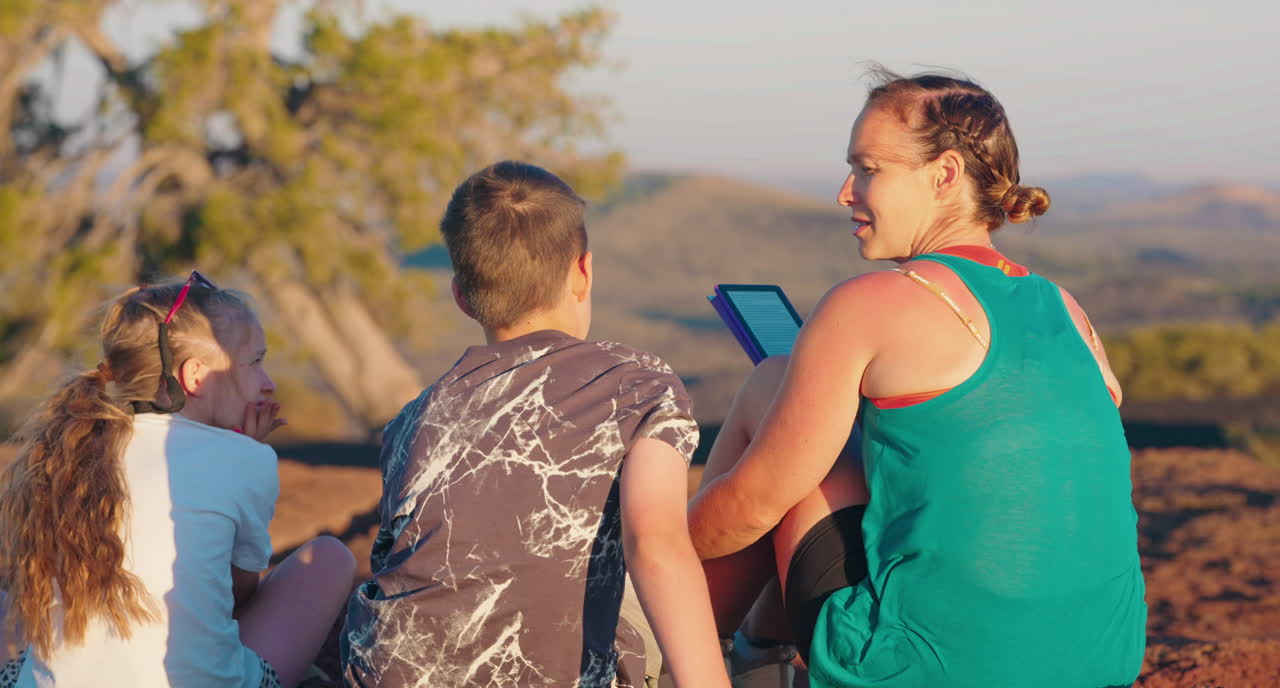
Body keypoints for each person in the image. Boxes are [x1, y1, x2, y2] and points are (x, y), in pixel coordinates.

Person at [689, 70, 1147, 688]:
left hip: (929, 670)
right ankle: (755, 657)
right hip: (1099, 664)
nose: (846, 191)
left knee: (774, 384)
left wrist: (654, 550)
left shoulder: (871, 302)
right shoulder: (1068, 311)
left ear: (946, 175)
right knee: (859, 448)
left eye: (870, 168)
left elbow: (749, 508)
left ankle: (675, 653)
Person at [340, 160, 731, 688]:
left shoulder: (412, 420)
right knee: (640, 564)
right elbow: (656, 547)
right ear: (584, 271)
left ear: (461, 294)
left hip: (394, 674)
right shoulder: (639, 387)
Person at [0, 274, 356, 688]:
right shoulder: (246, 457)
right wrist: (242, 449)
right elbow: (236, 595)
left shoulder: (70, 450)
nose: (268, 382)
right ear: (196, 377)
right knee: (331, 558)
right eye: (256, 361)